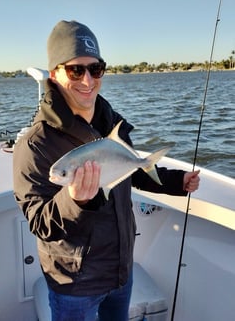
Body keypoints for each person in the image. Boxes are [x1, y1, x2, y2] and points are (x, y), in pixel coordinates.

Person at [13, 20, 200, 321]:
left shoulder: (111, 124)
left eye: (95, 69)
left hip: (121, 272)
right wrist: (75, 201)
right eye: (76, 70)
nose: (87, 80)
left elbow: (132, 170)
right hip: (75, 285)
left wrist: (177, 181)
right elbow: (39, 222)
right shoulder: (36, 144)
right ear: (54, 74)